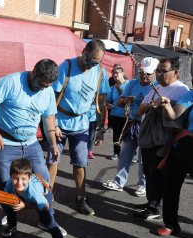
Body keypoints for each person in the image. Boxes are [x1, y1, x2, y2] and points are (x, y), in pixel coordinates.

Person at [0, 59, 60, 227]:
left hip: (31, 144)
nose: (42, 88)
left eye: (46, 86)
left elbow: (48, 118)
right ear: (33, 72)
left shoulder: (48, 91)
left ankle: (47, 220)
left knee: (44, 181)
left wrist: (53, 143)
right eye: (40, 83)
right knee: (6, 184)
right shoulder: (11, 81)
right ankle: (10, 220)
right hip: (5, 143)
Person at [47, 39, 110, 216]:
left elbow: (102, 103)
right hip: (60, 121)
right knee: (53, 159)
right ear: (83, 52)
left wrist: (100, 128)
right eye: (90, 61)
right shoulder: (66, 67)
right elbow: (50, 97)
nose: (92, 66)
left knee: (80, 163)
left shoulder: (99, 72)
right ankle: (47, 197)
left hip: (82, 124)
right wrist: (52, 124)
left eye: (97, 63)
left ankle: (81, 199)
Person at [135, 57, 189, 220]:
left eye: (162, 70)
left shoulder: (182, 90)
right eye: (157, 70)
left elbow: (177, 117)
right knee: (147, 170)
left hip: (164, 138)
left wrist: (165, 104)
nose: (158, 74)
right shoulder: (156, 87)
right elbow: (140, 110)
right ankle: (151, 201)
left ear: (175, 72)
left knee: (157, 171)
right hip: (148, 136)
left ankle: (155, 207)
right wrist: (151, 105)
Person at [102, 57, 159, 197]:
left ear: (155, 73)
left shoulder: (158, 86)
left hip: (148, 126)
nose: (144, 76)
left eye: (148, 73)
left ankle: (143, 185)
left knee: (143, 159)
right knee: (124, 154)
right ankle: (119, 182)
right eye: (142, 72)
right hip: (132, 122)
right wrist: (126, 100)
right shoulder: (132, 84)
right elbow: (120, 102)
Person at [2, 158, 67, 238]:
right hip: (25, 195)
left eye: (23, 179)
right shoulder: (9, 184)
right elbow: (5, 196)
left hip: (43, 194)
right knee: (8, 204)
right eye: (15, 178)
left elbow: (45, 206)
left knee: (47, 219)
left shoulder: (34, 192)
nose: (19, 182)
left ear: (29, 177)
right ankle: (12, 225)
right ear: (11, 176)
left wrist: (24, 205)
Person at [156, 91, 193, 236]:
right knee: (170, 186)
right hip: (182, 144)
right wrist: (167, 106)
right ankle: (170, 224)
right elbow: (173, 115)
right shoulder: (190, 95)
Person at [106, 64, 129, 160]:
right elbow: (107, 101)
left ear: (122, 73)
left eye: (117, 73)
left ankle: (131, 153)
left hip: (128, 114)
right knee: (116, 134)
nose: (115, 75)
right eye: (113, 74)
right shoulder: (112, 88)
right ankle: (116, 152)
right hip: (115, 114)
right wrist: (108, 105)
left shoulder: (129, 84)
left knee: (128, 135)